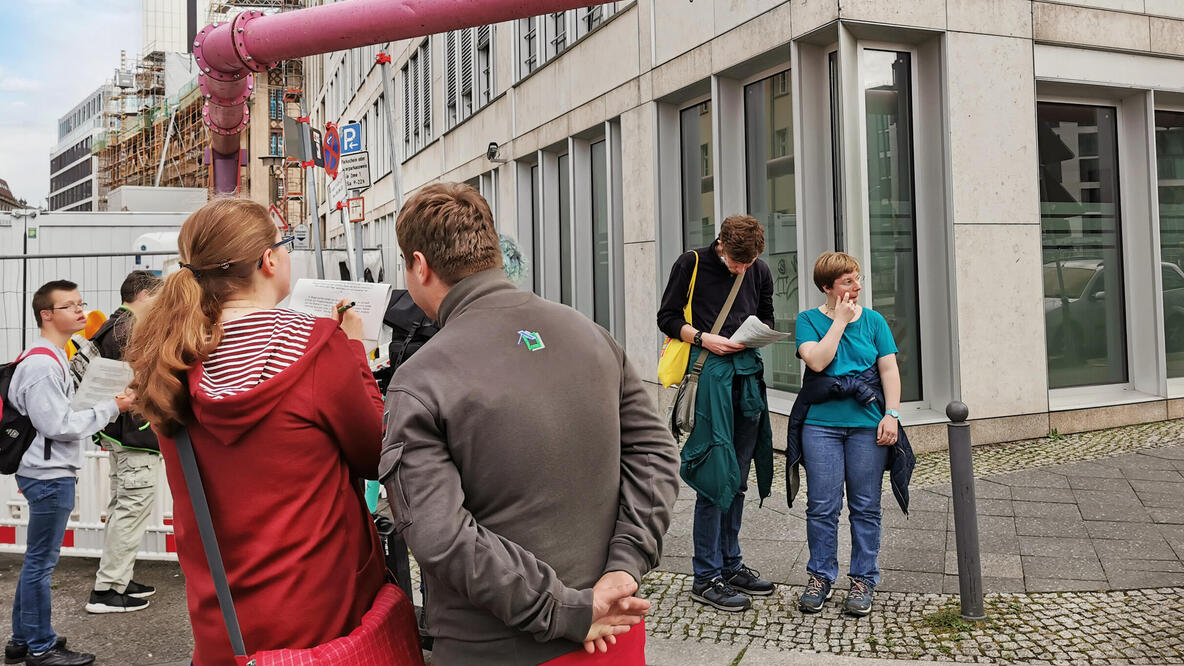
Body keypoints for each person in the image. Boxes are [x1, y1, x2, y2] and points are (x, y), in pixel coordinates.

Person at [381, 182, 680, 665]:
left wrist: (568, 609)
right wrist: (626, 563)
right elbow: (656, 454)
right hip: (615, 635)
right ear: (491, 251)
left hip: (497, 648)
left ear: (419, 265)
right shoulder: (591, 334)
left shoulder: (422, 377)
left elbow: (440, 537)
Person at [125, 198, 399, 664]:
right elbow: (377, 453)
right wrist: (352, 349)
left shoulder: (169, 361)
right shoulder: (319, 347)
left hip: (225, 629)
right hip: (325, 618)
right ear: (269, 259)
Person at [6, 280, 135, 666]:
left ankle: (21, 640)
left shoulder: (49, 356)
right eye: (69, 306)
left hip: (46, 471)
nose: (81, 311)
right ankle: (41, 647)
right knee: (40, 564)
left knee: (36, 561)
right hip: (48, 475)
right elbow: (58, 425)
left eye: (81, 304)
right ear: (47, 315)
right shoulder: (43, 365)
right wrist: (112, 407)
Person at [656, 215, 777, 613]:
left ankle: (731, 562)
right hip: (709, 377)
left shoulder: (757, 268)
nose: (743, 269)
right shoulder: (690, 263)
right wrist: (704, 337)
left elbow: (766, 315)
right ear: (721, 244)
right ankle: (706, 576)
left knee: (738, 477)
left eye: (749, 263)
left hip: (747, 378)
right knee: (714, 476)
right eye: (737, 263)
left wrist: (754, 335)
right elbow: (667, 317)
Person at [788, 251, 914, 617]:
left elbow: (889, 371)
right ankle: (820, 577)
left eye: (857, 279)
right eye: (848, 281)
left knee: (865, 506)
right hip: (820, 426)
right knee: (822, 506)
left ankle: (863, 580)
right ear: (827, 287)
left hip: (867, 426)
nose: (857, 287)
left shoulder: (875, 322)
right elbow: (817, 361)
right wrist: (839, 322)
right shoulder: (808, 320)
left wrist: (891, 414)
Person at [85, 270, 164, 614]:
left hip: (118, 433)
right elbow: (142, 378)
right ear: (145, 295)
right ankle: (107, 589)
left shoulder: (113, 324)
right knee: (130, 511)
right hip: (134, 434)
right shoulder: (130, 329)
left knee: (122, 509)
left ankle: (118, 578)